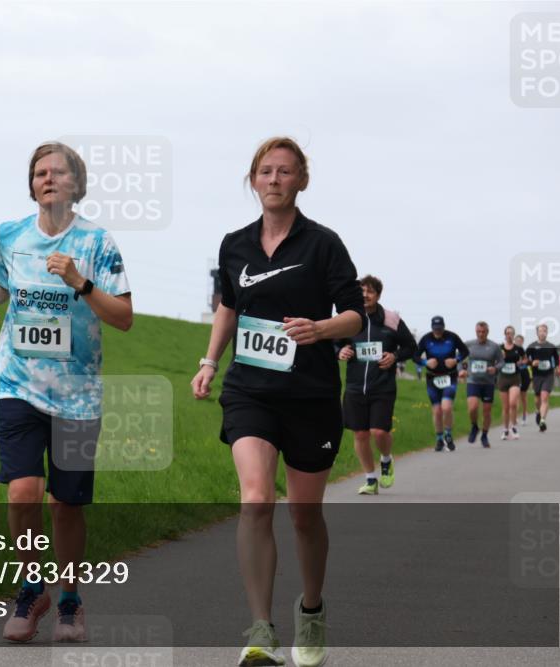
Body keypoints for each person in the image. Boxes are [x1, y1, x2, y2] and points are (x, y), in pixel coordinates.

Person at [191, 137, 362, 667]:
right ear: (253, 179)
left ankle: (310, 611)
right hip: (250, 390)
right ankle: (261, 629)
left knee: (305, 515)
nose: (273, 179)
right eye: (265, 171)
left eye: (284, 172)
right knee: (257, 497)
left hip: (309, 393)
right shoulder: (234, 244)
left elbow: (355, 315)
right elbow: (228, 307)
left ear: (301, 181)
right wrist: (209, 362)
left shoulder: (324, 244)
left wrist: (322, 328)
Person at [0, 142, 133, 643]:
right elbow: (2, 280)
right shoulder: (8, 234)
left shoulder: (98, 243)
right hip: (17, 382)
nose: (47, 179)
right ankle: (30, 589)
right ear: (32, 185)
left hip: (77, 395)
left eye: (57, 172)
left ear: (76, 184)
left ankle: (68, 600)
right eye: (39, 173)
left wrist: (80, 282)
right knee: (23, 493)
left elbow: (124, 318)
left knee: (66, 504)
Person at [337, 274, 417, 494]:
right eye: (361, 291)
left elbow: (411, 347)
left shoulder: (391, 320)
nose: (365, 295)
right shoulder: (349, 318)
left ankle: (386, 459)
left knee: (379, 432)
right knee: (360, 434)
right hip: (354, 386)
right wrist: (340, 350)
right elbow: (335, 343)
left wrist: (394, 356)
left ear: (378, 295)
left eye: (370, 291)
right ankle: (371, 479)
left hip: (382, 385)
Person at [414, 317, 470, 451]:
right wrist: (425, 362)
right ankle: (439, 439)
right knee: (437, 411)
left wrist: (456, 360)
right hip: (432, 378)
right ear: (432, 327)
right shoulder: (426, 339)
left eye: (439, 329)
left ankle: (448, 435)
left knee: (446, 408)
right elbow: (415, 356)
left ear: (443, 327)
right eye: (435, 329)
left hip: (449, 377)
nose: (437, 331)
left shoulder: (452, 337)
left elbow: (465, 351)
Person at [460, 321, 503, 448]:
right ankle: (474, 426)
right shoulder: (469, 344)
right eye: (478, 331)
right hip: (473, 381)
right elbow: (458, 357)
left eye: (483, 332)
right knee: (472, 408)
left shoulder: (494, 347)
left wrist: (495, 369)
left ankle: (484, 435)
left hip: (488, 383)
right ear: (475, 331)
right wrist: (460, 370)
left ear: (487, 332)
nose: (481, 334)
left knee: (486, 411)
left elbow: (501, 362)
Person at [526, 324, 560, 433]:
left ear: (547, 332)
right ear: (537, 333)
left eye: (545, 331)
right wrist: (532, 362)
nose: (543, 333)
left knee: (544, 397)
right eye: (540, 331)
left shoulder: (551, 346)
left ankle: (542, 420)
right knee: (537, 399)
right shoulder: (531, 346)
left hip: (548, 375)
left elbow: (556, 358)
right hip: (537, 375)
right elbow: (525, 360)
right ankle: (538, 411)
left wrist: (557, 367)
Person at [497, 325, 526, 440]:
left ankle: (513, 427)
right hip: (503, 378)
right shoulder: (499, 348)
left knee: (513, 403)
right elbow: (494, 361)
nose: (509, 335)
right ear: (505, 335)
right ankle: (505, 429)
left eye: (511, 333)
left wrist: (521, 362)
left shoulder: (518, 348)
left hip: (515, 377)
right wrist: (499, 359)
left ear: (514, 335)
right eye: (507, 333)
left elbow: (525, 359)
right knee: (505, 406)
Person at [514, 333, 532, 425]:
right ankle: (515, 417)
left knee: (523, 397)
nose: (518, 342)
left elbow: (528, 360)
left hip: (524, 374)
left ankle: (524, 415)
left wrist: (522, 362)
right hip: (515, 374)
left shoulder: (524, 351)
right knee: (516, 396)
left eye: (520, 341)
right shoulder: (512, 351)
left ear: (522, 342)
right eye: (516, 341)